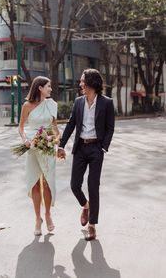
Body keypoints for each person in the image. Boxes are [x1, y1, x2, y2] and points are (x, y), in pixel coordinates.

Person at [58, 68, 115, 240]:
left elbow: (110, 128)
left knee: (93, 186)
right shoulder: (78, 102)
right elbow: (70, 125)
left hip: (96, 149)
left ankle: (92, 225)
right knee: (75, 185)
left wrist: (103, 147)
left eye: (83, 80)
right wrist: (61, 146)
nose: (80, 83)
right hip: (80, 148)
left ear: (91, 83)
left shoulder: (106, 103)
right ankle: (85, 205)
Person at [19, 76, 59, 236]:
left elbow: (55, 128)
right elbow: (21, 127)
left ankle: (48, 214)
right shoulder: (27, 106)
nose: (50, 89)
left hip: (48, 147)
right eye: (48, 86)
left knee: (47, 182)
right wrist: (26, 140)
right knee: (35, 183)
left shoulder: (52, 105)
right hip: (33, 148)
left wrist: (55, 139)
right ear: (40, 88)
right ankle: (37, 218)